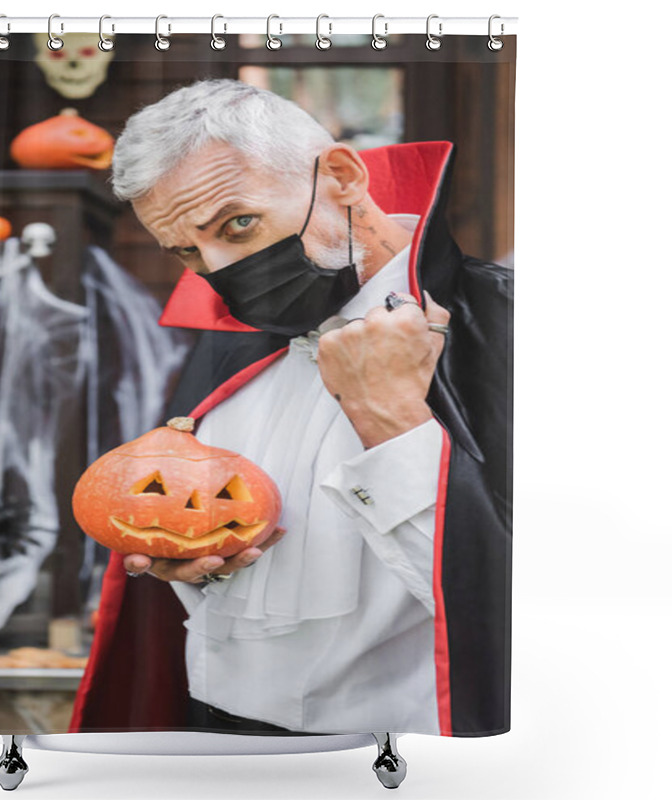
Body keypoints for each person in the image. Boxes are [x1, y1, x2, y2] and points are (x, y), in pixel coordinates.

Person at [69, 79, 512, 737]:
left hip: (390, 759)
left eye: (238, 224)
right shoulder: (225, 343)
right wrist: (186, 568)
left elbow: (525, 614)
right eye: (188, 252)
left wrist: (388, 417)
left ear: (340, 176)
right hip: (209, 737)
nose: (221, 273)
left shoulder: (504, 326)